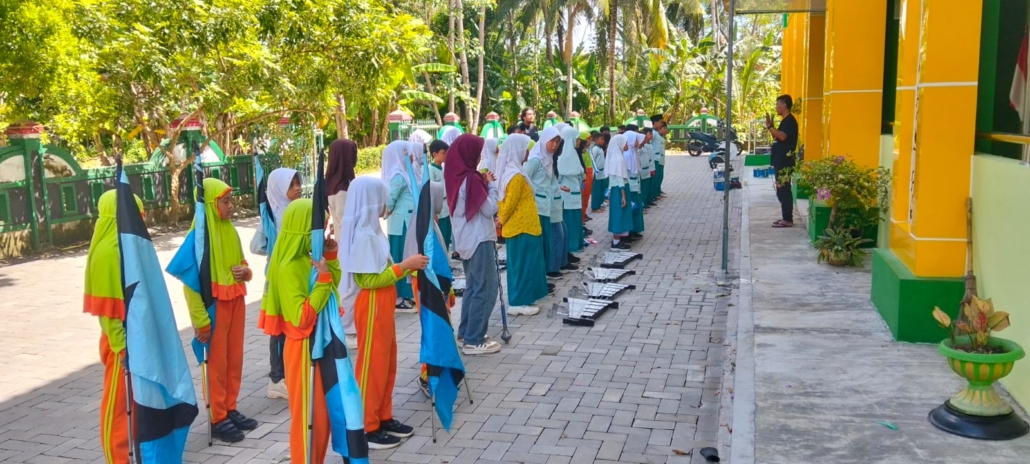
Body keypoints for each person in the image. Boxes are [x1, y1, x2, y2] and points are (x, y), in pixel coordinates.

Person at [339, 177, 429, 449]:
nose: (385, 204)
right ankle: (367, 426)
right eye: (382, 199)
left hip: (383, 302)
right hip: (372, 304)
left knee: (387, 361)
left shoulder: (373, 230)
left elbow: (384, 271)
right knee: (372, 365)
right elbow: (368, 281)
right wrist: (405, 266)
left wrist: (404, 268)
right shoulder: (364, 236)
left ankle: (383, 415)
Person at [262, 199, 342, 462]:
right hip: (302, 348)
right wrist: (324, 279)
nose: (323, 234)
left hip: (316, 343)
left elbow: (331, 289)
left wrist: (330, 259)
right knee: (308, 416)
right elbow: (301, 318)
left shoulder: (307, 257)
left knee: (321, 415)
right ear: (303, 230)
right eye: (318, 229)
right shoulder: (288, 267)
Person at [182, 178, 256, 443]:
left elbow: (243, 263)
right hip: (214, 306)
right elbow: (190, 283)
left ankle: (230, 407)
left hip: (235, 301)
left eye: (230, 200)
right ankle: (217, 416)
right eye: (225, 202)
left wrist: (246, 272)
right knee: (215, 362)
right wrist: (201, 320)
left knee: (234, 358)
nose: (231, 206)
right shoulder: (198, 237)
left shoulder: (230, 230)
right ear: (212, 204)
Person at [84, 190, 144, 463]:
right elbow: (108, 312)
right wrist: (121, 348)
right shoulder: (108, 253)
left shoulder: (126, 248)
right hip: (120, 342)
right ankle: (117, 458)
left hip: (135, 336)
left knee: (134, 400)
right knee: (118, 404)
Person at [444, 134, 503, 355]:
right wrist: (492, 186)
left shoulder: (456, 176)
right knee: (486, 287)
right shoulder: (471, 178)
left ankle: (466, 333)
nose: (479, 158)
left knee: (473, 286)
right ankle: (474, 340)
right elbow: (489, 209)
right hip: (479, 239)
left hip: (465, 239)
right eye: (477, 154)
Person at [258, 168, 303, 400]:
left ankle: (289, 371)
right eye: (291, 185)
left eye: (298, 183)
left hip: (294, 274)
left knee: (292, 323)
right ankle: (276, 379)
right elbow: (258, 244)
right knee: (279, 327)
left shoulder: (295, 210)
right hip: (279, 276)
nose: (297, 188)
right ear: (278, 189)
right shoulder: (274, 215)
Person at [496, 134, 548, 316]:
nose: (527, 152)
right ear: (517, 149)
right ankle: (518, 302)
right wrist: (500, 220)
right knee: (522, 265)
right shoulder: (516, 176)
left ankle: (525, 298)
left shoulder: (516, 171)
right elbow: (509, 203)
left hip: (525, 226)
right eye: (525, 148)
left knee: (526, 264)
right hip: (520, 227)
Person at [323, 139, 360, 350]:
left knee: (346, 286)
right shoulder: (344, 190)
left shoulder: (332, 184)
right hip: (349, 246)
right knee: (350, 288)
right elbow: (348, 224)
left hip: (341, 243)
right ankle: (347, 330)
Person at [382, 141, 418, 311]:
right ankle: (400, 296)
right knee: (401, 257)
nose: (411, 156)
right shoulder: (398, 176)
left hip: (405, 221)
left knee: (405, 256)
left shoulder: (403, 172)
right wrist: (385, 212)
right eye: (407, 153)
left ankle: (407, 293)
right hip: (401, 224)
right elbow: (389, 200)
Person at [523, 126, 562, 278]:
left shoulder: (548, 159)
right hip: (536, 208)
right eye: (552, 141)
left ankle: (543, 275)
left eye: (557, 142)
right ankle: (540, 276)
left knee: (546, 240)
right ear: (544, 140)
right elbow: (524, 181)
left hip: (545, 207)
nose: (554, 145)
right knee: (539, 242)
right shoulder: (535, 160)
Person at [768, 94, 799, 228]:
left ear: (784, 105)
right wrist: (771, 127)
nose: (776, 107)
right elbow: (777, 137)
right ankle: (785, 217)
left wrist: (770, 127)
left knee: (784, 189)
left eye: (777, 104)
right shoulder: (785, 121)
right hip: (780, 160)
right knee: (781, 189)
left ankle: (788, 219)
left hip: (785, 161)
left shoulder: (790, 121)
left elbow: (783, 137)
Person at [557, 127, 585, 254]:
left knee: (575, 221)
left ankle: (576, 244)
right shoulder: (562, 157)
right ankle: (569, 248)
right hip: (566, 196)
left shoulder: (574, 154)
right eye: (577, 139)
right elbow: (558, 177)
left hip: (575, 193)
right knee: (569, 221)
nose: (579, 141)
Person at [606, 134, 633, 249]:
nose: (627, 145)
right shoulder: (618, 159)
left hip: (616, 189)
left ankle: (617, 240)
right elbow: (619, 178)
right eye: (625, 143)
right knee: (618, 214)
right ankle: (616, 242)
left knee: (618, 214)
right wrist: (623, 196)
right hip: (619, 190)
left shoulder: (615, 157)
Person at [428, 139, 452, 252]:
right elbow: (431, 192)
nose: (446, 155)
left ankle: (446, 258)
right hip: (439, 209)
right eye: (443, 153)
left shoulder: (443, 168)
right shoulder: (431, 170)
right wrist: (433, 213)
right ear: (435, 154)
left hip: (447, 207)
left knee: (447, 236)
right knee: (441, 237)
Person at [623, 127, 645, 239]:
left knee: (637, 208)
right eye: (636, 139)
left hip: (636, 185)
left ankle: (635, 230)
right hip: (630, 187)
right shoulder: (627, 155)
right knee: (631, 209)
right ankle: (629, 232)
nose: (638, 142)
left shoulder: (634, 152)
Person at [590, 132, 609, 213]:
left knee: (601, 190)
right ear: (596, 140)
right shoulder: (595, 149)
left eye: (603, 139)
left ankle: (599, 204)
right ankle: (595, 207)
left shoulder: (600, 148)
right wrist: (596, 170)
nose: (603, 141)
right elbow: (592, 160)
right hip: (597, 173)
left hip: (602, 173)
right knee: (596, 191)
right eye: (601, 139)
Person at [580, 131, 594, 222]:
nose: (590, 142)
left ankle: (584, 214)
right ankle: (581, 217)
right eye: (588, 139)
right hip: (585, 176)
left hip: (589, 175)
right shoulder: (581, 152)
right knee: (584, 196)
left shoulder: (586, 151)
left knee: (587, 196)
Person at [639, 128, 655, 207]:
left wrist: (652, 169)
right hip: (642, 170)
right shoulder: (639, 149)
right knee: (643, 188)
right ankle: (642, 203)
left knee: (647, 187)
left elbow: (650, 159)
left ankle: (647, 200)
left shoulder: (645, 146)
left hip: (647, 169)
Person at [652, 119, 668, 198]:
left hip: (660, 158)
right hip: (655, 158)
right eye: (664, 128)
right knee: (656, 177)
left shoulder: (659, 135)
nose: (665, 130)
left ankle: (658, 191)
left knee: (660, 176)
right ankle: (654, 194)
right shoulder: (653, 133)